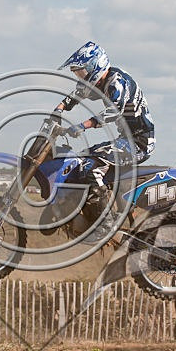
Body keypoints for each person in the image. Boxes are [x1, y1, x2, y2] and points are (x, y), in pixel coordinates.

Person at [56, 41, 155, 240]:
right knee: (80, 160)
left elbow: (113, 112)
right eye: (77, 74)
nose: (80, 77)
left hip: (139, 142)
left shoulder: (117, 81)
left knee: (91, 167)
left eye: (82, 72)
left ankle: (106, 224)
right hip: (125, 140)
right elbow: (76, 95)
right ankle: (87, 215)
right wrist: (58, 110)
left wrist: (83, 125)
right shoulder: (100, 82)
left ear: (95, 65)